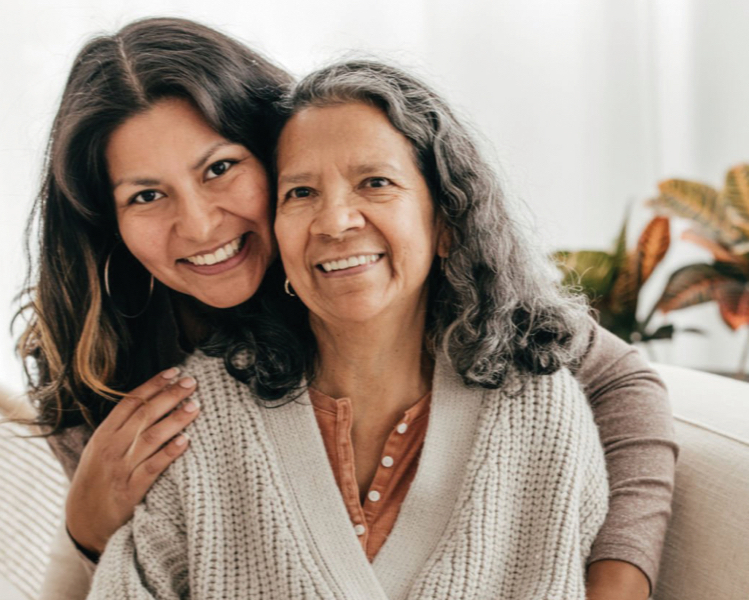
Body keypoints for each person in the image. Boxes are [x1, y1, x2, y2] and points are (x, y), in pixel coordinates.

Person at [18, 18, 675, 600]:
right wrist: (86, 529)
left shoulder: (427, 292)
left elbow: (618, 381)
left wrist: (616, 579)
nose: (198, 224)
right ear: (109, 223)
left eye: (219, 169)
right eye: (144, 196)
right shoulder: (103, 364)